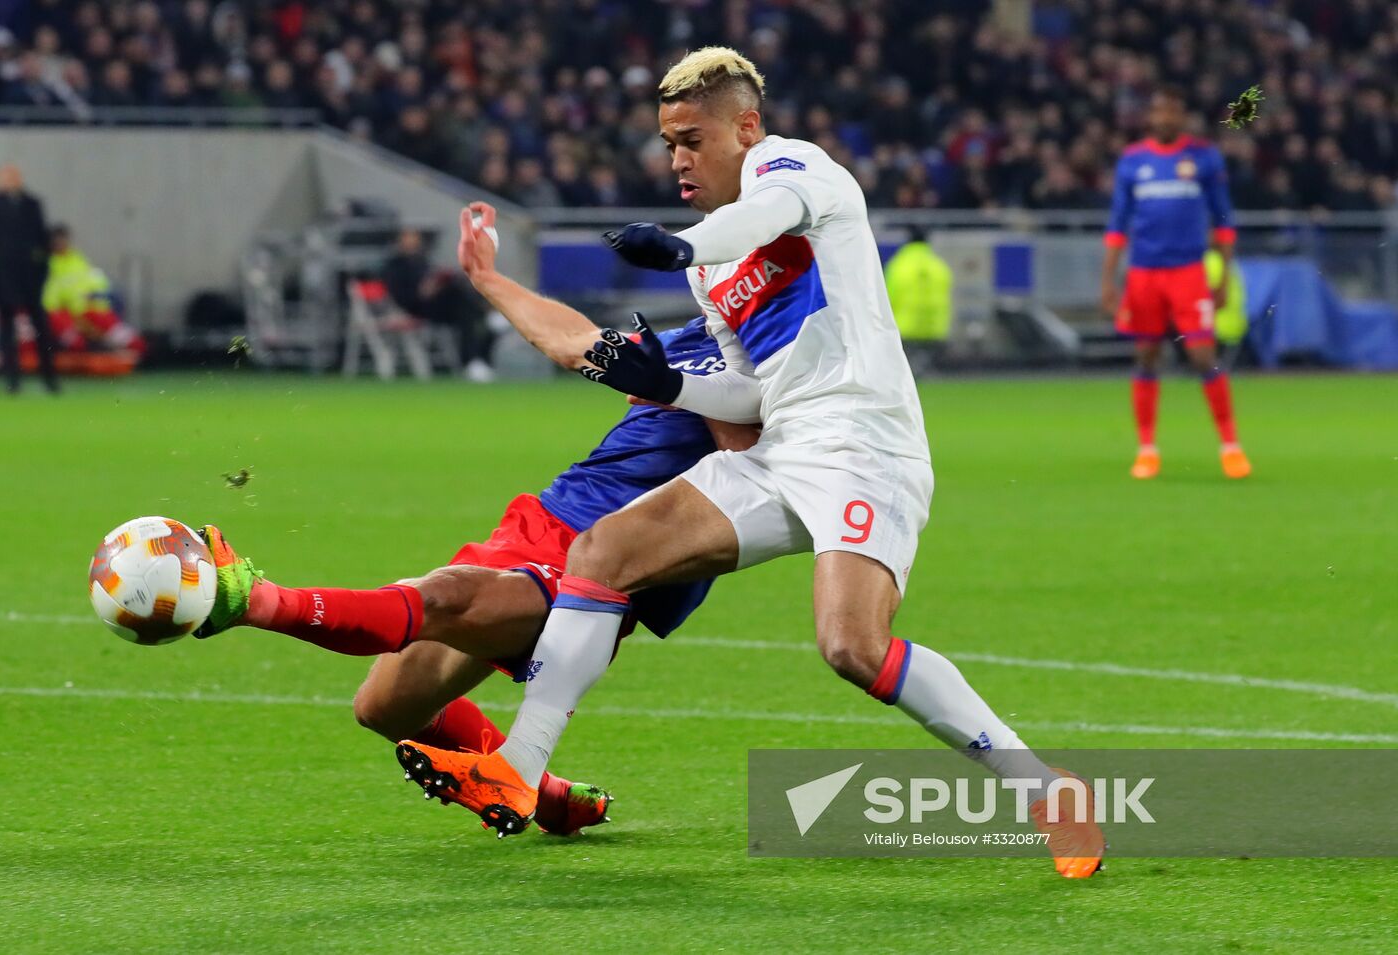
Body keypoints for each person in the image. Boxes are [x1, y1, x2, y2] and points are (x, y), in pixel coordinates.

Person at [398, 49, 1103, 879]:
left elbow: (754, 215)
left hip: (860, 442)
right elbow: (745, 392)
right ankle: (517, 769)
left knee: (852, 646)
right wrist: (662, 380)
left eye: (692, 139)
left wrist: (681, 248)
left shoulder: (797, 170)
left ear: (746, 126)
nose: (678, 160)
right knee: (603, 553)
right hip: (782, 445)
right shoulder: (715, 272)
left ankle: (1044, 791)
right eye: (668, 144)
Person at [194, 207, 758, 836]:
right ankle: (542, 797)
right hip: (543, 520)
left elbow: (748, 464)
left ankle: (253, 599)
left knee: (445, 596)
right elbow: (574, 342)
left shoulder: (776, 363)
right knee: (385, 707)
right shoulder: (690, 339)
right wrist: (488, 278)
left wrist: (680, 389)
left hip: (608, 556)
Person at [1100, 86, 1251, 481]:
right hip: (1144, 273)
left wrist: (1225, 276)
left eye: (1172, 111)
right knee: (1146, 356)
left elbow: (1224, 222)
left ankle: (1230, 445)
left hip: (1188, 272)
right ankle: (1147, 449)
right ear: (1150, 117)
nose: (1165, 118)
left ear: (1182, 117)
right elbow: (1118, 227)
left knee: (1204, 357)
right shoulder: (1133, 161)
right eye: (1159, 111)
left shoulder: (1203, 157)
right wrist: (1108, 281)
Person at [382, 228, 495, 381]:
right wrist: (423, 291)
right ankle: (485, 316)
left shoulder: (422, 260)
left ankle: (476, 357)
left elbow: (432, 278)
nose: (412, 241)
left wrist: (437, 284)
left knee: (462, 296)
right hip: (417, 307)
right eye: (408, 237)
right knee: (464, 304)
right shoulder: (394, 266)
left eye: (415, 237)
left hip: (440, 304)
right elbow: (403, 295)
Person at [0, 163, 60, 394]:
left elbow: (42, 241)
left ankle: (50, 377)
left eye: (12, 176)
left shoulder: (32, 204)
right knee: (8, 332)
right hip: (4, 280)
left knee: (41, 329)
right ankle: (12, 380)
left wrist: (40, 273)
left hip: (30, 280)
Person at [43, 224, 147, 358]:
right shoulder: (48, 265)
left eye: (63, 240)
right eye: (57, 242)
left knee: (134, 342)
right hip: (66, 313)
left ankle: (112, 353)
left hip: (92, 310)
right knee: (75, 342)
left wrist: (97, 297)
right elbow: (50, 299)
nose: (61, 245)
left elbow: (98, 284)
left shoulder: (79, 260)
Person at [884, 227, 954, 375]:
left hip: (906, 327)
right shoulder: (939, 265)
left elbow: (887, 297)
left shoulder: (898, 265)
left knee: (906, 373)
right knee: (924, 369)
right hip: (935, 328)